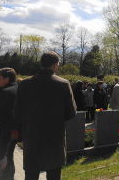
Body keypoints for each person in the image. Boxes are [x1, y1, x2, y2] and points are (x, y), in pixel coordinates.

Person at [14, 51, 77, 180]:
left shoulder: (25, 84)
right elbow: (71, 112)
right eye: (58, 65)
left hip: (32, 136)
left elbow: (17, 112)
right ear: (54, 65)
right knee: (54, 175)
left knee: (31, 175)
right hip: (54, 137)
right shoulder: (63, 84)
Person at [0, 68, 18, 180]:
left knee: (4, 157)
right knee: (9, 156)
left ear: (7, 79)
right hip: (14, 131)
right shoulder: (17, 88)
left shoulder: (5, 92)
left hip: (6, 131)